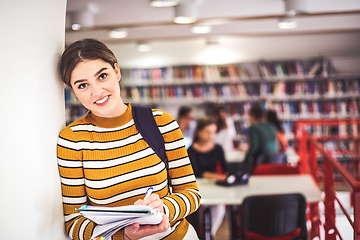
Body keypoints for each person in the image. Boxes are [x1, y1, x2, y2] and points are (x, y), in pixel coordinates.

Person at [57, 38, 201, 240]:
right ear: (73, 91)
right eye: (82, 85)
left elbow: (191, 193)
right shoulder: (72, 140)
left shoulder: (162, 123)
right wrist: (123, 236)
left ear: (117, 71)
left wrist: (163, 208)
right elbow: (73, 221)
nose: (97, 91)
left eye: (102, 76)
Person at [187, 118, 228, 238]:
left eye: (214, 132)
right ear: (199, 132)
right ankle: (199, 233)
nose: (211, 136)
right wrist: (215, 176)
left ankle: (210, 234)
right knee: (198, 208)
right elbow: (195, 172)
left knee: (219, 206)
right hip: (199, 186)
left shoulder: (218, 148)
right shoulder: (191, 150)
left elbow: (226, 169)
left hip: (214, 186)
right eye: (207, 132)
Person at [242, 104, 278, 172]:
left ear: (253, 116)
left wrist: (245, 160)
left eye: (249, 116)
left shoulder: (253, 127)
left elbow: (254, 146)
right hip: (275, 162)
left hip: (261, 163)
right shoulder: (271, 126)